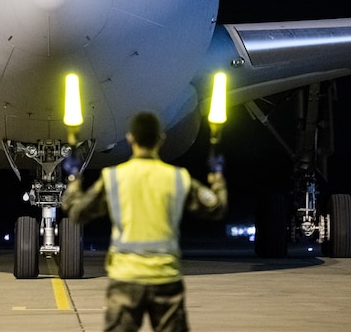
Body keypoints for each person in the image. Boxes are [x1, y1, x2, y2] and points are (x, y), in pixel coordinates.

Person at [61, 111, 227, 332]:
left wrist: (74, 179)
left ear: (130, 138)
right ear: (161, 139)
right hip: (165, 278)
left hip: (126, 278)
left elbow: (76, 213)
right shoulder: (178, 177)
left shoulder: (113, 177)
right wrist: (217, 176)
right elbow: (216, 208)